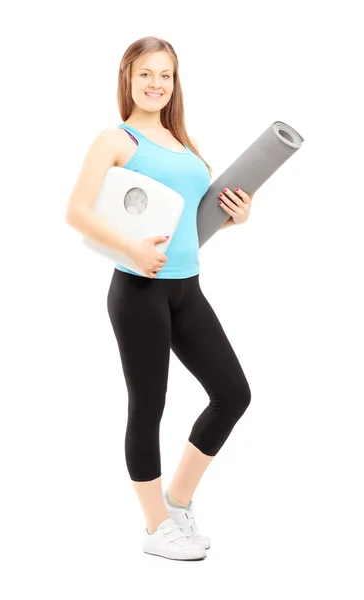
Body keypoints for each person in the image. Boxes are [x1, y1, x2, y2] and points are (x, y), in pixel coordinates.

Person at [66, 36, 254, 561]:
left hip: (187, 290)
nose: (156, 84)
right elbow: (77, 211)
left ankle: (176, 503)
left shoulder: (182, 141)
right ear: (128, 77)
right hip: (138, 290)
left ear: (175, 82)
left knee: (233, 393)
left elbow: (188, 221)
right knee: (148, 407)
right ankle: (154, 530)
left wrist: (235, 216)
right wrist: (128, 246)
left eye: (165, 75)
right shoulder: (116, 138)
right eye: (146, 74)